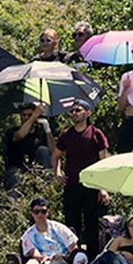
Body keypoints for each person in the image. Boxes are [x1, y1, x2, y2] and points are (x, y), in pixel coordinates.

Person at [54, 104, 109, 254]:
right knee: (71, 225)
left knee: (92, 225)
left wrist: (102, 188)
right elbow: (56, 155)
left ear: (88, 112)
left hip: (91, 186)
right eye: (72, 111)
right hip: (71, 186)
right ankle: (74, 259)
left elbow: (104, 163)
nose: (74, 113)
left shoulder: (96, 134)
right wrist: (57, 173)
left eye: (78, 110)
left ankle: (92, 261)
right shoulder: (66, 134)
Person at [2, 102, 53, 189]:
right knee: (14, 177)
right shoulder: (12, 132)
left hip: (36, 170)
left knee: (43, 150)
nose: (26, 118)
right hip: (16, 169)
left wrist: (47, 130)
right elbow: (19, 136)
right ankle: (13, 201)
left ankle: (47, 188)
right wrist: (33, 117)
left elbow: (53, 151)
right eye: (23, 115)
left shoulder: (40, 132)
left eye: (29, 115)